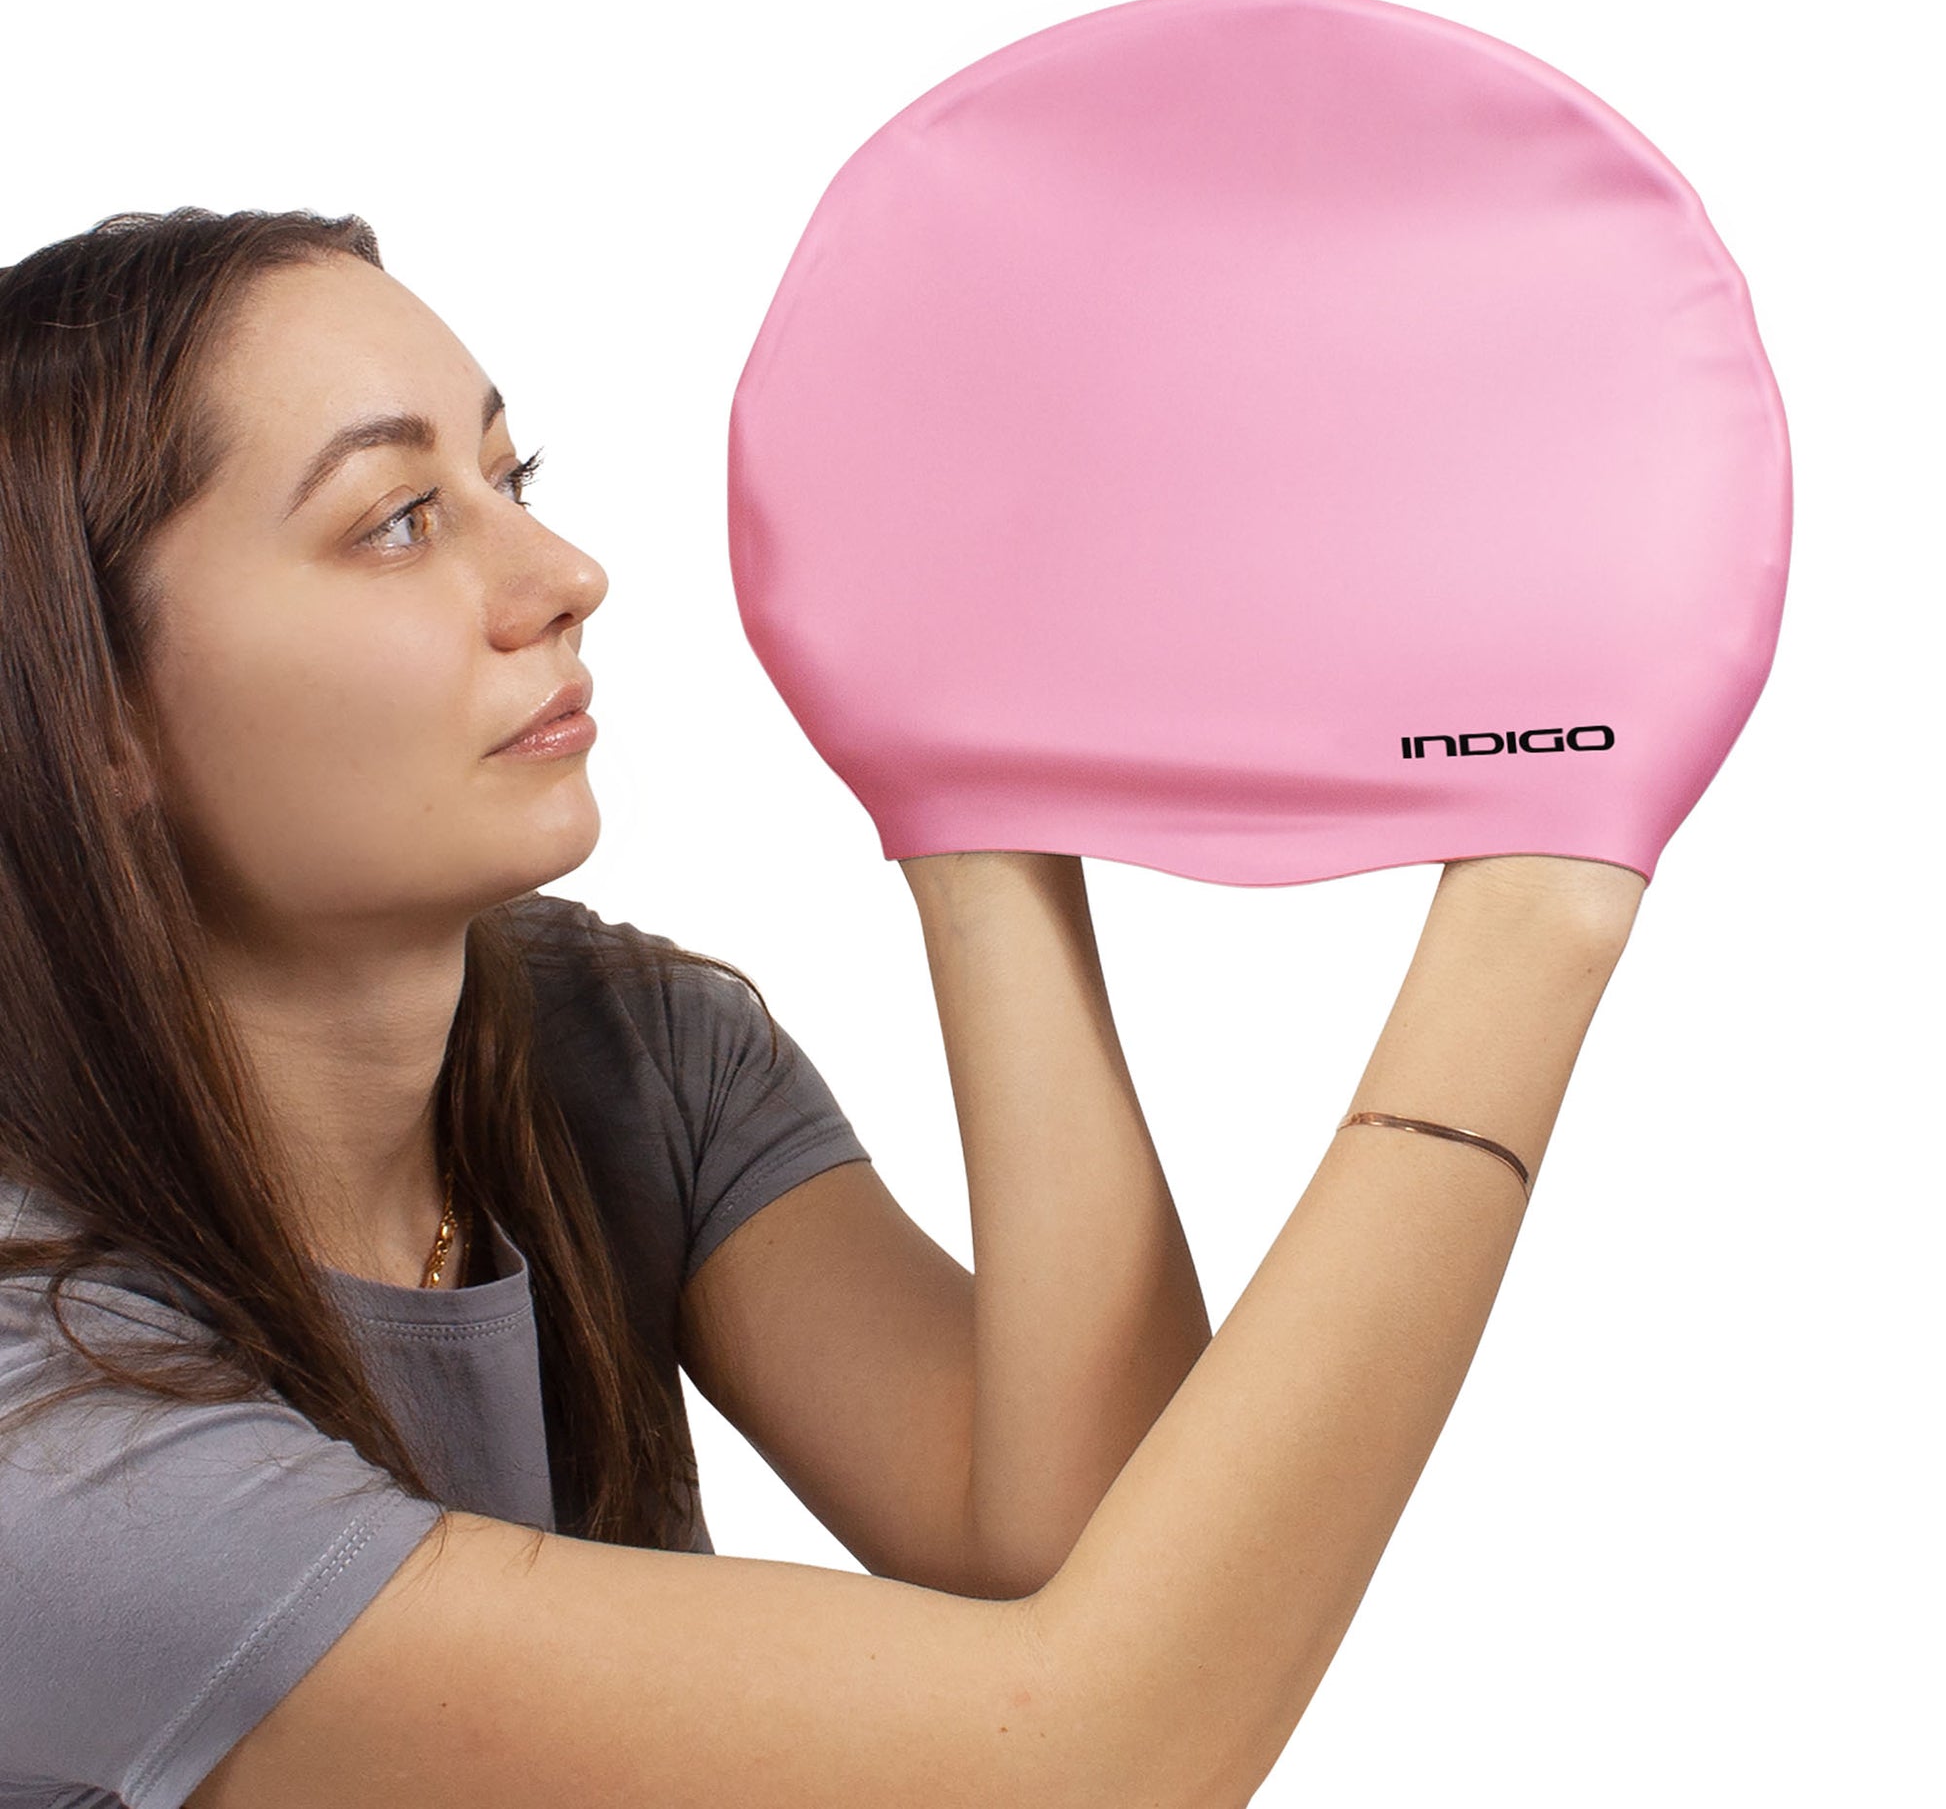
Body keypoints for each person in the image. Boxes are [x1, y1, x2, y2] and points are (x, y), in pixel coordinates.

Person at [0, 207, 1647, 1808]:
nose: (566, 575)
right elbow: (1087, 1753)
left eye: (513, 477)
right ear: (95, 714)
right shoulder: (46, 1435)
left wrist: (969, 797)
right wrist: (1537, 906)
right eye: (399, 521)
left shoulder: (619, 1048)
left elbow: (1101, 1551)